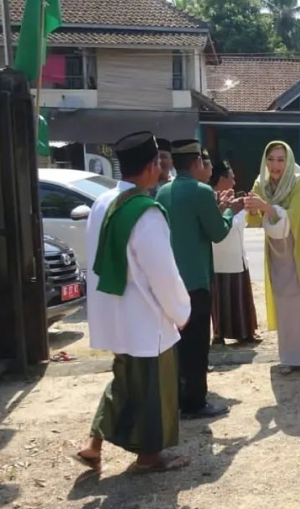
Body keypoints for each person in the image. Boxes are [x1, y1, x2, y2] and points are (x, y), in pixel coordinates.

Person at [75, 132, 191, 473]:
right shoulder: (146, 212)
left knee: (124, 381)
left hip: (112, 312)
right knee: (153, 390)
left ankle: (94, 444)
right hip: (144, 316)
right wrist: (180, 311)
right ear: (153, 166)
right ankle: (149, 457)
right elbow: (163, 274)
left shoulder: (102, 202)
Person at [156, 139, 241, 419]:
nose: (209, 168)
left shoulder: (163, 191)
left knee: (177, 342)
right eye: (205, 163)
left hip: (171, 278)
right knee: (196, 343)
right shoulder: (201, 191)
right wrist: (229, 211)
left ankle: (177, 395)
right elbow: (218, 232)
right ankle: (195, 402)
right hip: (195, 279)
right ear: (196, 163)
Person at [244, 141, 300, 374]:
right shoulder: (261, 184)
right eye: (271, 159)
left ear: (289, 161)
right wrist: (252, 209)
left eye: (281, 160)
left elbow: (295, 215)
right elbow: (254, 221)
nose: (275, 165)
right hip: (277, 251)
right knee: (283, 301)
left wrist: (265, 207)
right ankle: (288, 357)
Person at [210, 161, 259, 345]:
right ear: (222, 179)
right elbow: (228, 226)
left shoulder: (228, 200)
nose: (234, 182)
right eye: (231, 178)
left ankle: (243, 333)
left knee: (236, 297)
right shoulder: (210, 199)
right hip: (221, 257)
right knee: (224, 298)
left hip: (235, 257)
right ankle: (221, 334)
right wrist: (238, 211)